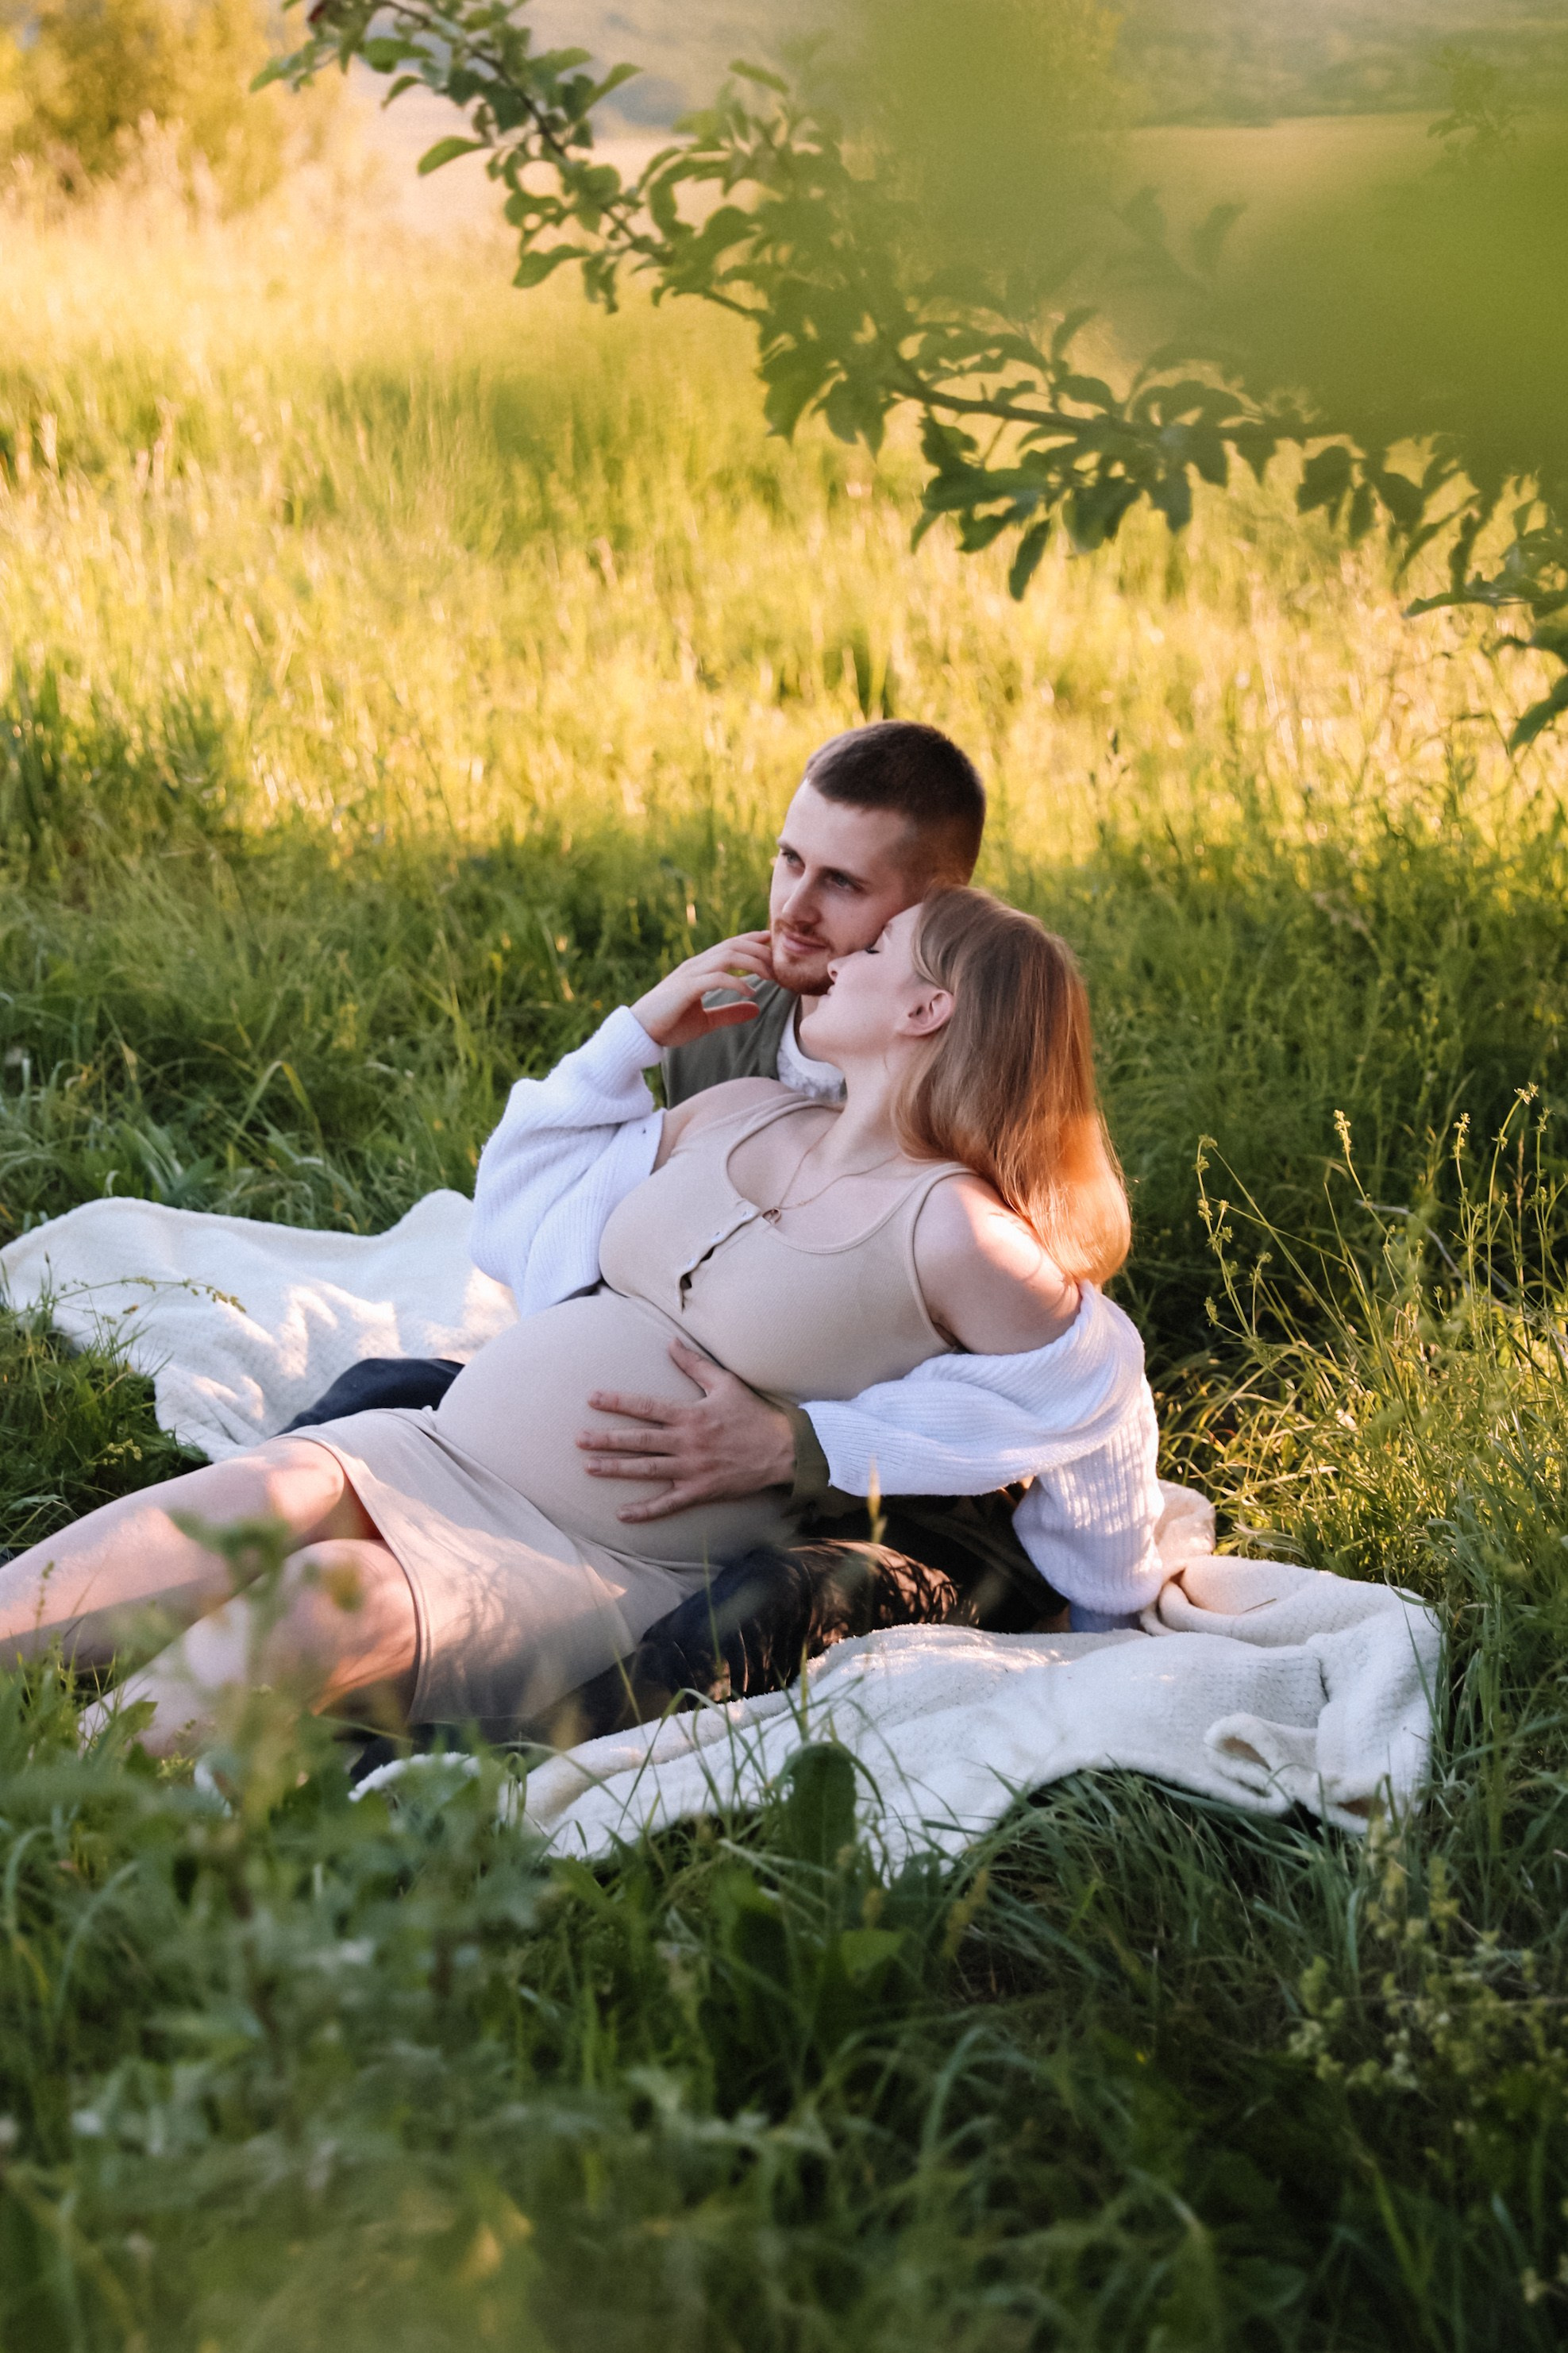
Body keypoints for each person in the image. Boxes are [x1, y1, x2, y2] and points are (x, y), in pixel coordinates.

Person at [0, 889, 1154, 1756]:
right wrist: (638, 1033)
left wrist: (1098, 1617)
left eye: (874, 950)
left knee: (323, 1595)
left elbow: (1094, 1396)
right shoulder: (745, 1109)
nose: (837, 957)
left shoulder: (955, 1234)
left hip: (602, 1563)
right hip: (438, 1445)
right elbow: (522, 1194)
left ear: (926, 1007)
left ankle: (64, 1818)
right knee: (249, 1499)